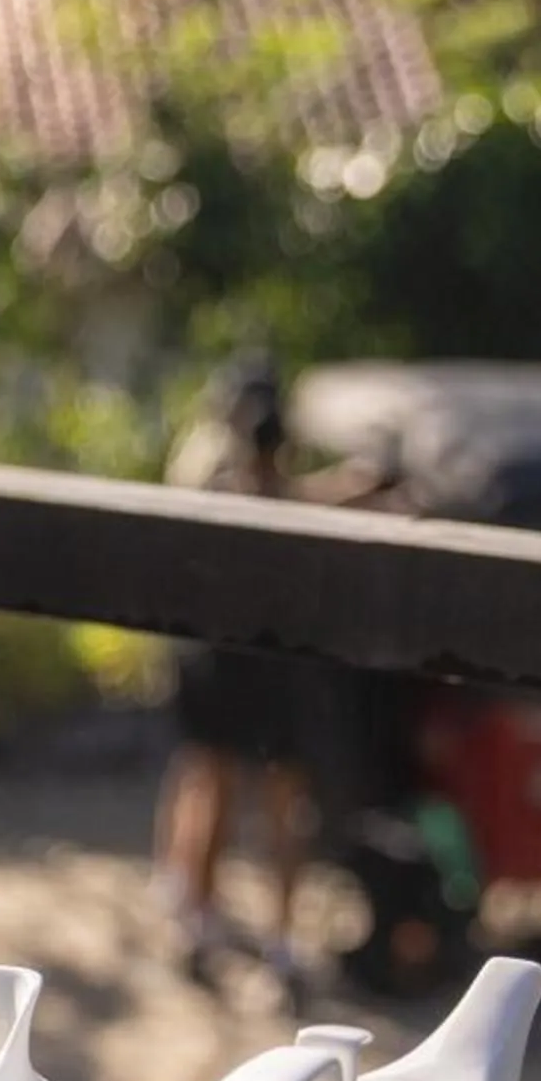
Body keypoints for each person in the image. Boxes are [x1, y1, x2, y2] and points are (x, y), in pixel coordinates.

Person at [153, 358, 332, 997]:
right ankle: (205, 921)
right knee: (220, 788)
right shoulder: (217, 481)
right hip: (234, 662)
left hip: (258, 666)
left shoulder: (229, 480)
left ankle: (248, 932)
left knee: (246, 794)